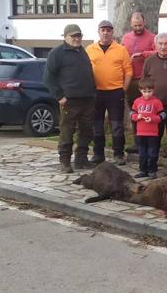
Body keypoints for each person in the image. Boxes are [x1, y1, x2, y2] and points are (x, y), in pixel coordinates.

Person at [43, 24, 96, 173]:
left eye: (79, 36)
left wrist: (93, 93)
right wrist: (59, 96)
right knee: (67, 132)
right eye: (73, 36)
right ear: (65, 37)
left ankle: (81, 160)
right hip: (69, 101)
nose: (77, 38)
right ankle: (65, 162)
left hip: (87, 99)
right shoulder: (57, 53)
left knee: (86, 132)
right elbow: (48, 78)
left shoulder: (82, 52)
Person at [86, 20, 133, 165]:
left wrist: (123, 89)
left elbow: (129, 71)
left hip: (115, 92)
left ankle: (118, 154)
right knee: (97, 125)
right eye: (103, 30)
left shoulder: (121, 49)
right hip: (96, 93)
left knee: (117, 125)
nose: (105, 32)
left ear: (112, 32)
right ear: (98, 32)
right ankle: (98, 154)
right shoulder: (90, 49)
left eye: (108, 30)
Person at [122, 12, 156, 153]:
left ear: (144, 22)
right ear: (131, 24)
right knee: (135, 112)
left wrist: (143, 54)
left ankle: (152, 143)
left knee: (148, 110)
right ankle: (138, 142)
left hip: (146, 81)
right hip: (130, 80)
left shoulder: (152, 37)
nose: (138, 28)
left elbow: (157, 51)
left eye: (140, 25)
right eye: (135, 26)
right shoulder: (126, 38)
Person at [130, 78, 165, 179]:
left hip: (153, 133)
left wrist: (153, 119)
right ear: (140, 90)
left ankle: (152, 170)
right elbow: (132, 113)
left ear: (153, 90)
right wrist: (137, 117)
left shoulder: (157, 102)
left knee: (152, 152)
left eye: (149, 91)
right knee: (142, 153)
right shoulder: (137, 101)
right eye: (144, 91)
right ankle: (142, 170)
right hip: (140, 133)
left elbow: (162, 115)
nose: (147, 94)